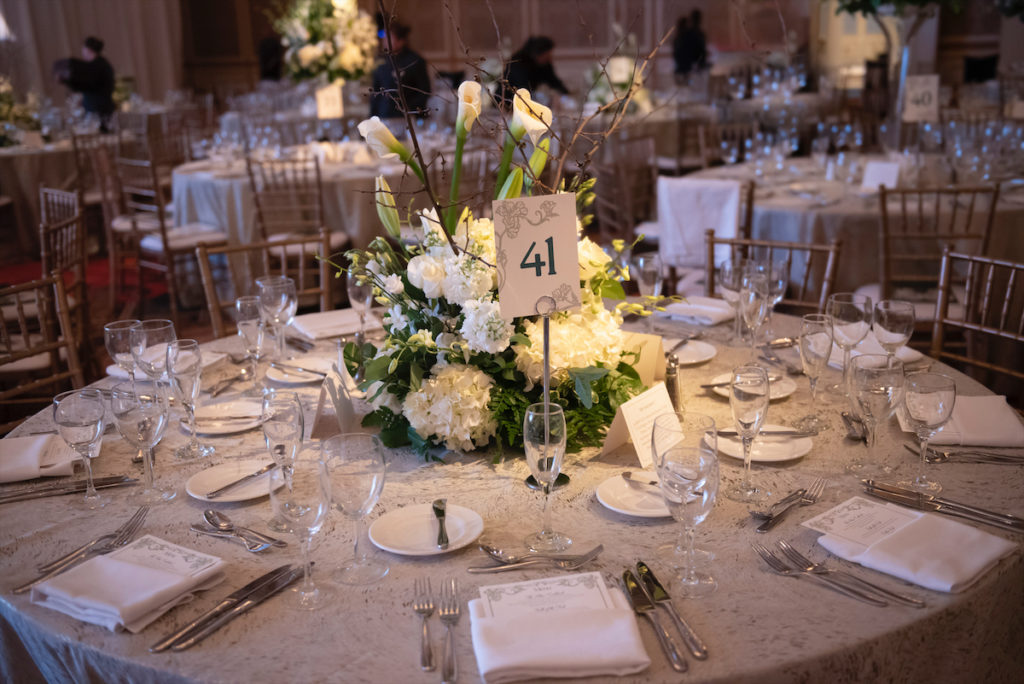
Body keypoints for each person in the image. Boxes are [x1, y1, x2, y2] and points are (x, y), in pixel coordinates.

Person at [369, 22, 431, 120]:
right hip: (383, 115)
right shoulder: (381, 61)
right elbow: (376, 92)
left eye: (389, 38)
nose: (385, 41)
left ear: (401, 41)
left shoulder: (414, 61)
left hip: (407, 117)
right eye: (384, 38)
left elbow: (424, 91)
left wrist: (410, 109)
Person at [55, 36, 115, 130]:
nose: (82, 52)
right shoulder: (101, 64)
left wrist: (67, 80)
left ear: (88, 50)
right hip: (100, 109)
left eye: (83, 49)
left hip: (98, 112)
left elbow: (89, 85)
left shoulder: (97, 66)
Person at [501, 36, 568, 105]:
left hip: (527, 98)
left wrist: (566, 94)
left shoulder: (544, 64)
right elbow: (522, 88)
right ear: (538, 54)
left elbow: (553, 81)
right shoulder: (518, 63)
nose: (550, 59)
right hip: (507, 101)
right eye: (547, 56)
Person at [673, 10, 708, 78]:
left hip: (688, 67)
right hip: (690, 67)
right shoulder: (694, 34)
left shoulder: (689, 34)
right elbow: (700, 50)